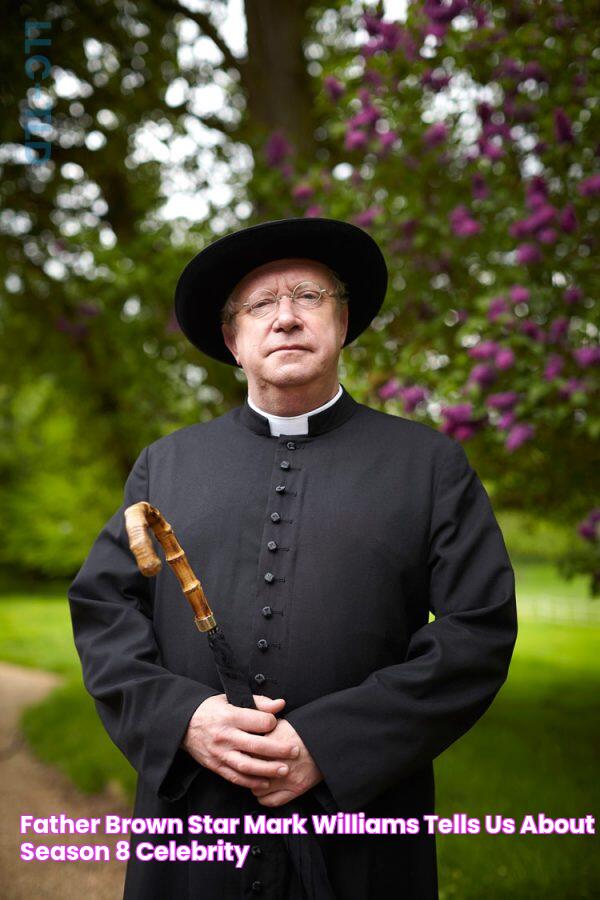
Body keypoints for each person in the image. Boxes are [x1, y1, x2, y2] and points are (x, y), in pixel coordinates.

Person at [68, 216, 518, 900]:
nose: (285, 318)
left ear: (342, 322)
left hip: (362, 816)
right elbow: (105, 609)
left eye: (308, 297)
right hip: (196, 820)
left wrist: (328, 744)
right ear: (234, 340)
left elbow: (477, 629)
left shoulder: (429, 465)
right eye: (260, 305)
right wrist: (181, 719)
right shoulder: (166, 466)